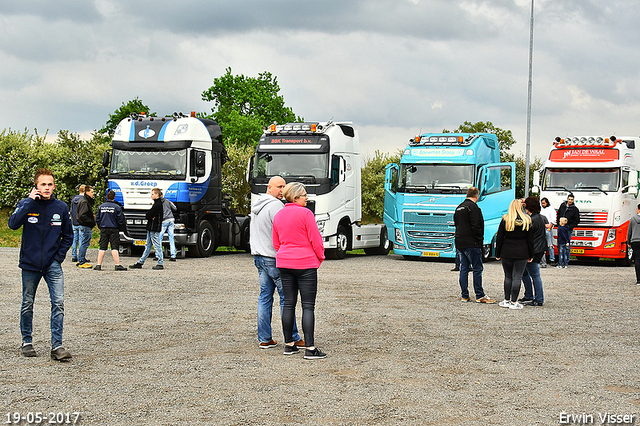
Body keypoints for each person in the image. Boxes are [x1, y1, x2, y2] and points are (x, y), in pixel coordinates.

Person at [8, 168, 73, 360]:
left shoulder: (61, 207)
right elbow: (13, 224)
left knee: (58, 303)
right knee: (28, 303)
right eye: (43, 184)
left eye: (50, 184)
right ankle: (27, 342)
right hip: (30, 264)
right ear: (36, 186)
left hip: (52, 265)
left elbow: (68, 236)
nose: (46, 188)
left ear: (54, 186)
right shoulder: (25, 204)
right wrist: (28, 202)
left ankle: (57, 346)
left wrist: (58, 258)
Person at [272, 182, 326, 359]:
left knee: (289, 303)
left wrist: (285, 253)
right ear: (295, 197)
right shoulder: (306, 214)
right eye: (304, 195)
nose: (307, 197)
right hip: (305, 263)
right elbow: (315, 240)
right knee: (308, 306)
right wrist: (320, 257)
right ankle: (310, 348)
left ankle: (289, 345)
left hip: (285, 263)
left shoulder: (279, 215)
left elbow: (276, 243)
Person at [251, 176, 304, 349]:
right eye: (279, 186)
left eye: (284, 186)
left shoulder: (257, 204)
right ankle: (294, 337)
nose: (282, 190)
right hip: (273, 258)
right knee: (286, 298)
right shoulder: (276, 206)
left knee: (265, 297)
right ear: (269, 188)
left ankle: (265, 338)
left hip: (259, 256)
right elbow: (283, 230)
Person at [453, 187, 496, 304]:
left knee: (464, 269)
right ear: (477, 196)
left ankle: (464, 295)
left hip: (460, 242)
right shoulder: (474, 208)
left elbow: (456, 224)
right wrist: (479, 239)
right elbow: (477, 225)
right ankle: (479, 294)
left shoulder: (459, 207)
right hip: (472, 243)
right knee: (477, 268)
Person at [496, 199, 534, 310]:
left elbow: (499, 238)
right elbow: (530, 240)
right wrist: (531, 255)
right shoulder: (527, 220)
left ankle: (506, 300)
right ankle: (514, 302)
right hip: (522, 251)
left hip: (506, 251)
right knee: (517, 276)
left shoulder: (506, 219)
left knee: (508, 276)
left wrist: (498, 252)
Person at [520, 197, 547, 306]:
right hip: (540, 248)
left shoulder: (531, 220)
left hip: (534, 250)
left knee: (534, 275)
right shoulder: (540, 218)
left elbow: (529, 237)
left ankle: (538, 298)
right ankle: (530, 295)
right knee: (525, 273)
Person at [130, 188, 164, 270]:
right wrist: (150, 216)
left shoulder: (157, 205)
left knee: (156, 245)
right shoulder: (157, 204)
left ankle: (160, 262)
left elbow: (148, 215)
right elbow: (149, 215)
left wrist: (150, 216)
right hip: (151, 227)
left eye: (152, 194)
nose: (151, 195)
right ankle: (140, 262)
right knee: (148, 245)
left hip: (154, 228)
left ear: (157, 195)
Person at [94, 190, 127, 271]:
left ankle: (98, 265)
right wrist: (120, 228)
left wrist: (100, 226)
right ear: (114, 197)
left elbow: (97, 219)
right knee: (114, 247)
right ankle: (117, 264)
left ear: (106, 197)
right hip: (113, 229)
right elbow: (121, 220)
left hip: (103, 228)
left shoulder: (101, 207)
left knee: (102, 247)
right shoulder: (117, 207)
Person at [76, 185, 95, 268]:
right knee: (84, 243)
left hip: (83, 225)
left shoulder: (84, 200)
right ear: (87, 192)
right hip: (85, 225)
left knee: (82, 243)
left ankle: (81, 258)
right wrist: (91, 221)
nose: (93, 194)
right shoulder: (84, 202)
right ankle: (81, 261)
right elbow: (82, 215)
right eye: (92, 192)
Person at [70, 185, 85, 263]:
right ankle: (81, 256)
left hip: (74, 222)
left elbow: (72, 210)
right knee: (82, 239)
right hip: (81, 222)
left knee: (74, 239)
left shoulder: (73, 199)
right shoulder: (84, 200)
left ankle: (74, 255)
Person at [160, 194, 178, 262]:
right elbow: (175, 208)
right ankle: (173, 255)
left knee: (159, 237)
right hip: (171, 219)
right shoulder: (168, 201)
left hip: (164, 220)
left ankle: (158, 254)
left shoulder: (158, 203)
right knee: (171, 237)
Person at [540, 197, 557, 266]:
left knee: (550, 244)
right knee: (542, 244)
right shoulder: (541, 209)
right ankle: (542, 260)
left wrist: (550, 227)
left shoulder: (551, 209)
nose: (542, 204)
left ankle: (552, 258)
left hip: (548, 228)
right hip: (541, 228)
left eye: (544, 203)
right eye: (542, 203)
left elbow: (553, 219)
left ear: (547, 203)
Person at [626, 204, 640, 285]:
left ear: (638, 209)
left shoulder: (633, 219)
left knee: (637, 260)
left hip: (635, 241)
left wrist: (628, 241)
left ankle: (638, 280)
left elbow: (629, 230)